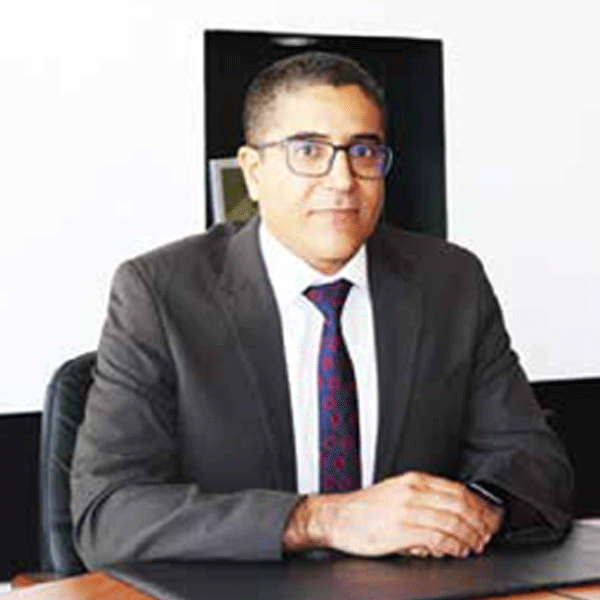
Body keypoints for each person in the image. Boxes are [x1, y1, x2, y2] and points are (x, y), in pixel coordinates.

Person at [71, 51, 573, 568]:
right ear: (253, 172)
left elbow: (535, 465)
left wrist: (472, 511)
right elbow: (107, 514)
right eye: (309, 151)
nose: (342, 180)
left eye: (363, 152)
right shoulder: (161, 294)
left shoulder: (450, 283)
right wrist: (320, 519)